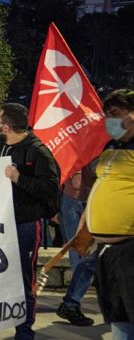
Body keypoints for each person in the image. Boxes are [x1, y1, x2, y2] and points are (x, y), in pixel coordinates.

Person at [0, 103, 60, 340]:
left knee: (24, 281)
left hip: (24, 225)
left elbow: (50, 189)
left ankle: (24, 333)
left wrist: (19, 178)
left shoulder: (37, 152)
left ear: (6, 126)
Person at [78, 89, 134, 339]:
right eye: (106, 115)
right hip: (107, 252)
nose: (109, 121)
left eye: (115, 114)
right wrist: (85, 222)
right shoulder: (111, 146)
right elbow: (103, 185)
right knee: (118, 317)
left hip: (130, 250)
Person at [55, 164, 99, 327]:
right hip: (72, 200)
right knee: (83, 254)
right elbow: (58, 172)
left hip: (92, 201)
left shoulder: (103, 144)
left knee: (89, 256)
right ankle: (71, 304)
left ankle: (72, 303)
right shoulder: (70, 145)